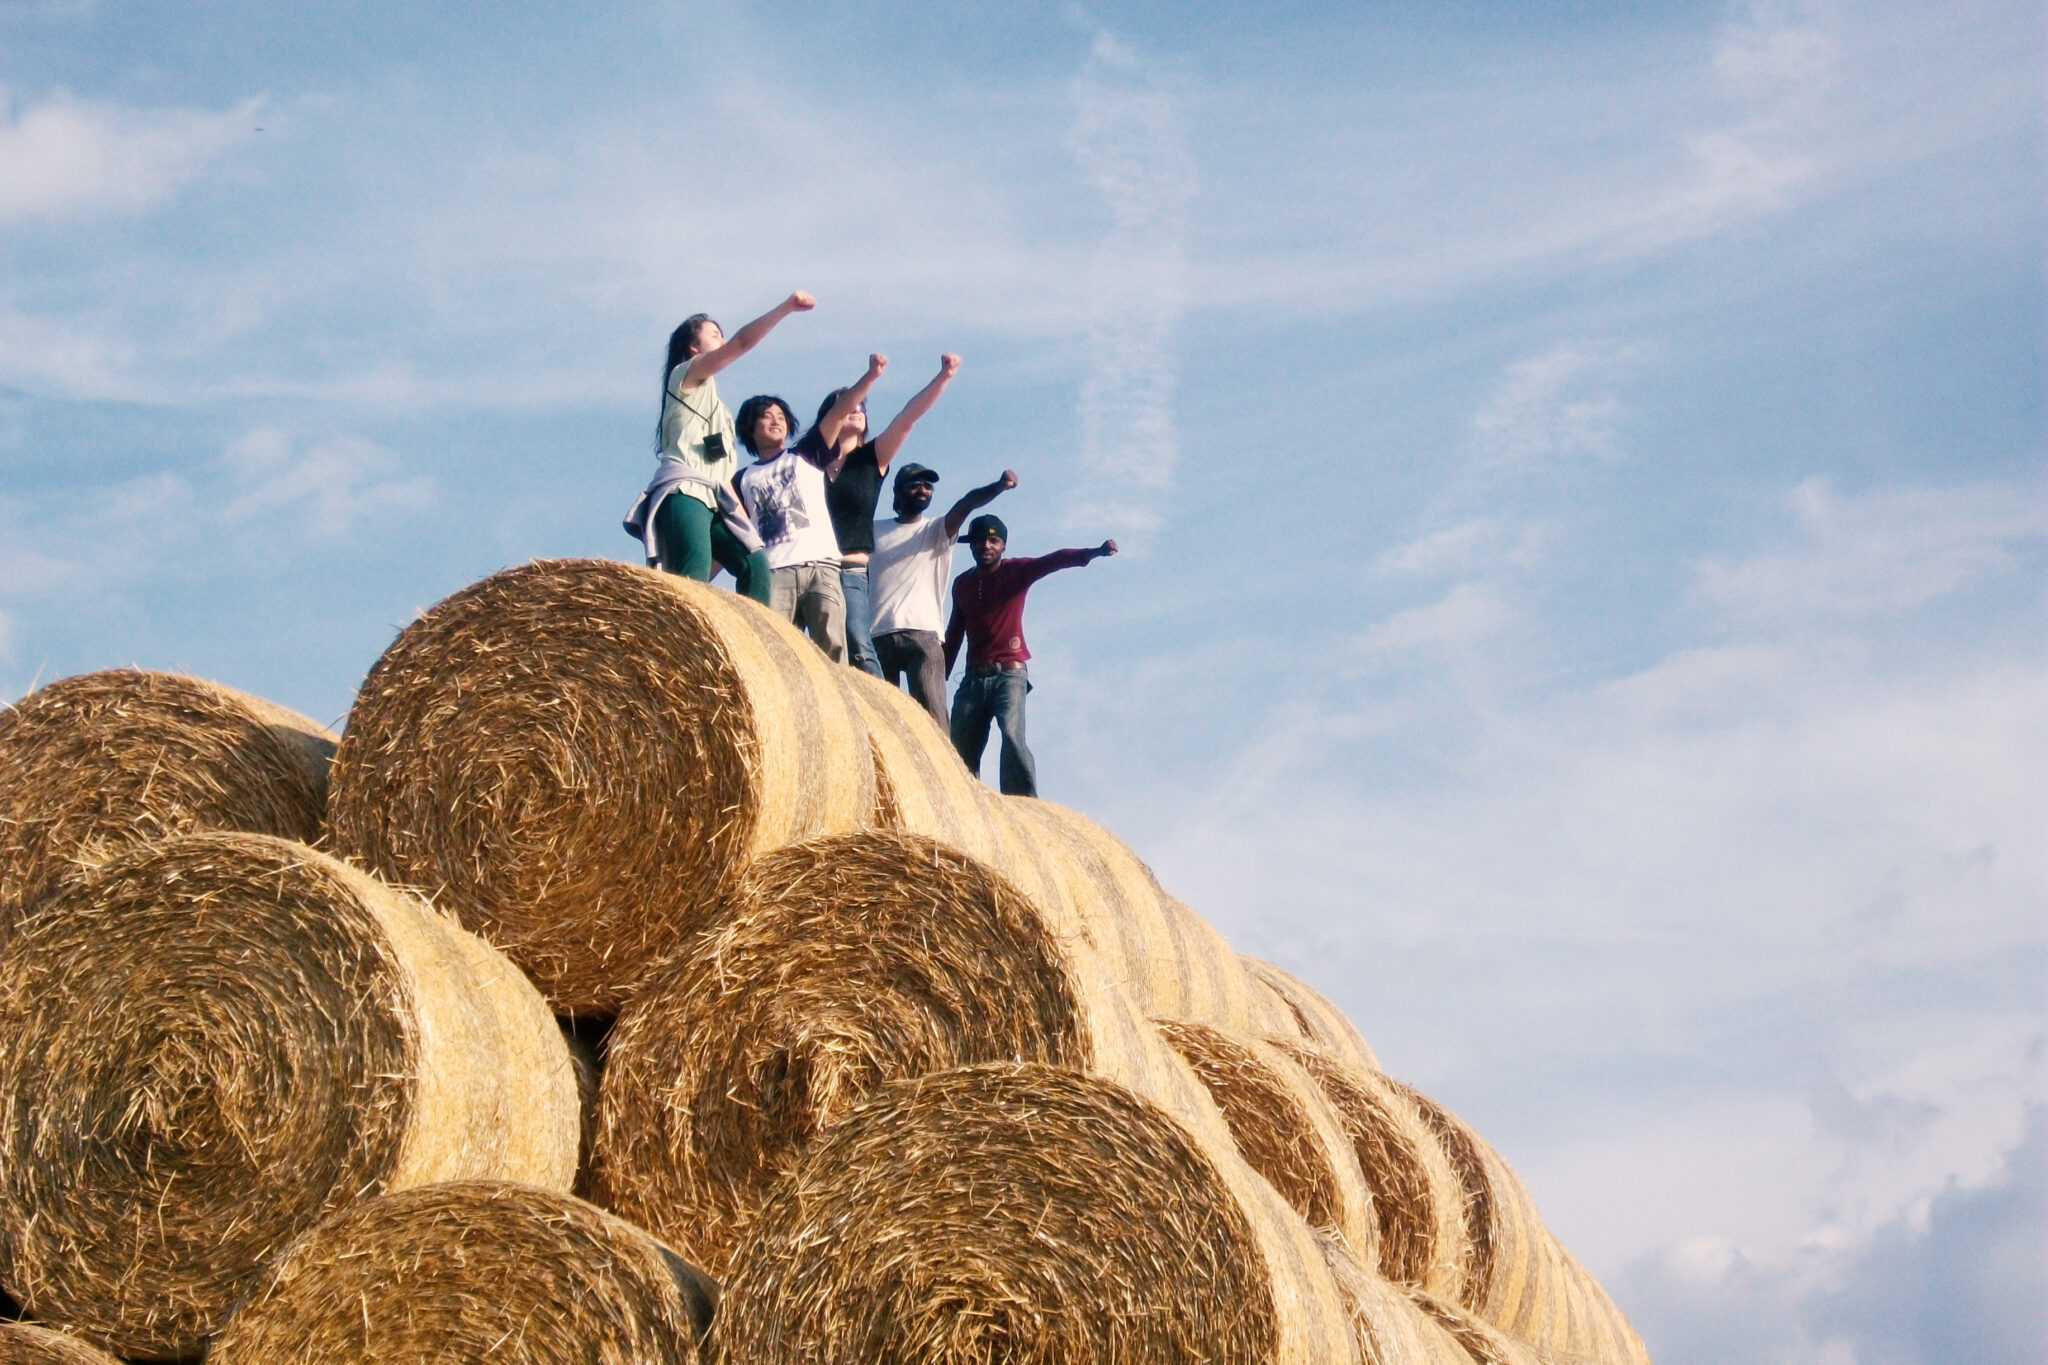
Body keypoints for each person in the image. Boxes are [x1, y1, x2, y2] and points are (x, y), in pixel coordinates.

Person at [623, 292, 815, 603]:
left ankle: (751, 643)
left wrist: (743, 522)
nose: (722, 339)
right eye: (714, 334)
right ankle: (685, 641)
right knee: (694, 572)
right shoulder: (683, 377)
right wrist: (786, 307)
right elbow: (741, 343)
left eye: (722, 334)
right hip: (685, 493)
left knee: (755, 563)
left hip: (715, 498)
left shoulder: (721, 413)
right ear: (694, 347)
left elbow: (723, 474)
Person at [800, 353, 963, 678]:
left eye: (862, 407)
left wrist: (944, 376)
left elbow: (907, 418)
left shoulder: (870, 459)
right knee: (805, 649)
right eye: (848, 405)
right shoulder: (808, 466)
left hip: (850, 570)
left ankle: (879, 713)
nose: (857, 409)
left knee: (859, 645)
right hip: (810, 567)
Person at [943, 517, 1118, 796]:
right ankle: (962, 802)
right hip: (973, 679)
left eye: (993, 541)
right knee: (958, 749)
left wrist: (1093, 553)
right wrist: (939, 676)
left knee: (1012, 736)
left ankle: (1022, 805)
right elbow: (953, 634)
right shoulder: (962, 584)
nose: (985, 546)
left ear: (1003, 545)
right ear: (971, 545)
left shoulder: (1015, 571)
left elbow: (1054, 560)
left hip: (1009, 675)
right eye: (978, 541)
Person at [868, 461, 1016, 727]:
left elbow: (966, 503)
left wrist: (998, 487)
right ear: (899, 491)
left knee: (933, 720)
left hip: (922, 637)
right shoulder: (873, 530)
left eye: (928, 485)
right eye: (915, 484)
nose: (923, 489)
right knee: (878, 720)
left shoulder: (937, 531)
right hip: (879, 636)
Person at [734, 393, 846, 659]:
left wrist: (871, 375)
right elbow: (735, 533)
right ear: (750, 427)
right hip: (773, 571)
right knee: (773, 650)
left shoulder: (805, 455)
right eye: (767, 416)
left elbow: (839, 413)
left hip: (820, 565)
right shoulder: (741, 479)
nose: (776, 422)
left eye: (781, 417)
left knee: (833, 648)